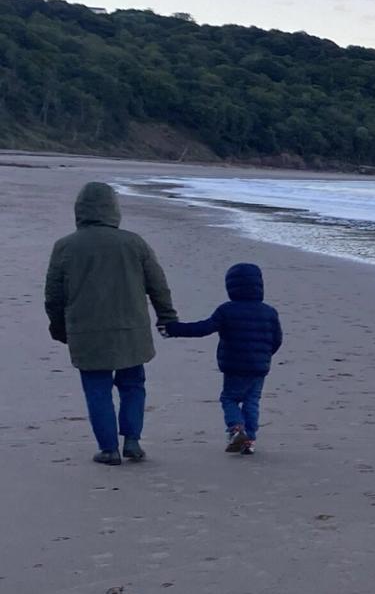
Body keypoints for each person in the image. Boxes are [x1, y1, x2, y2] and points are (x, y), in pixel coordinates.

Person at [45, 181, 178, 466]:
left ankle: (109, 449)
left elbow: (54, 295)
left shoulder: (65, 246)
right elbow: (158, 285)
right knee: (133, 385)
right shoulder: (134, 242)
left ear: (79, 210)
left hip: (87, 331)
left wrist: (58, 328)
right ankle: (132, 441)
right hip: (132, 331)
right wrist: (167, 317)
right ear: (114, 210)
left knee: (97, 389)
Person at [164, 263, 283, 455]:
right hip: (259, 365)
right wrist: (265, 355)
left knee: (229, 398)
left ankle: (236, 429)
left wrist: (174, 329)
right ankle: (250, 440)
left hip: (233, 364)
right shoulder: (269, 311)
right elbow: (277, 339)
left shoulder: (226, 310)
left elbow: (203, 329)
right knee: (252, 400)